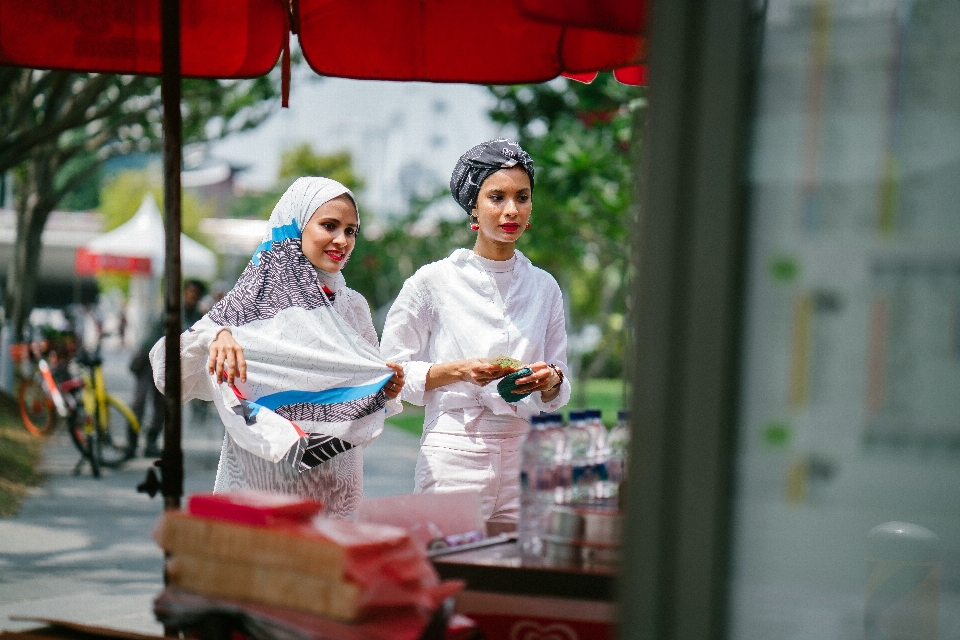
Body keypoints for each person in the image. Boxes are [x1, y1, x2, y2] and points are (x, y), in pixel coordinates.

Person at [149, 177, 405, 517]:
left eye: (351, 231)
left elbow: (365, 397)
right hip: (259, 490)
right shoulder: (250, 302)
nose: (342, 240)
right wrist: (215, 336)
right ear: (296, 226)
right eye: (329, 225)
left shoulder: (351, 306)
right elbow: (168, 373)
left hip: (335, 494)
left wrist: (386, 388)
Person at [381, 138, 570, 532]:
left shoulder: (544, 287)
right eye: (496, 197)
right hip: (455, 451)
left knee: (517, 580)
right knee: (449, 572)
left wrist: (550, 380)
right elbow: (391, 372)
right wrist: (459, 371)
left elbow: (559, 382)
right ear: (474, 205)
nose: (511, 210)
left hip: (524, 453)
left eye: (522, 197)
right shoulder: (432, 282)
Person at [130, 279, 206, 457]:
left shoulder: (198, 316)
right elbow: (159, 333)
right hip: (150, 358)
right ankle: (132, 442)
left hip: (169, 365)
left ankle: (150, 441)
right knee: (139, 402)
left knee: (160, 405)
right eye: (189, 292)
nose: (191, 296)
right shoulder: (173, 308)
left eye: (195, 293)